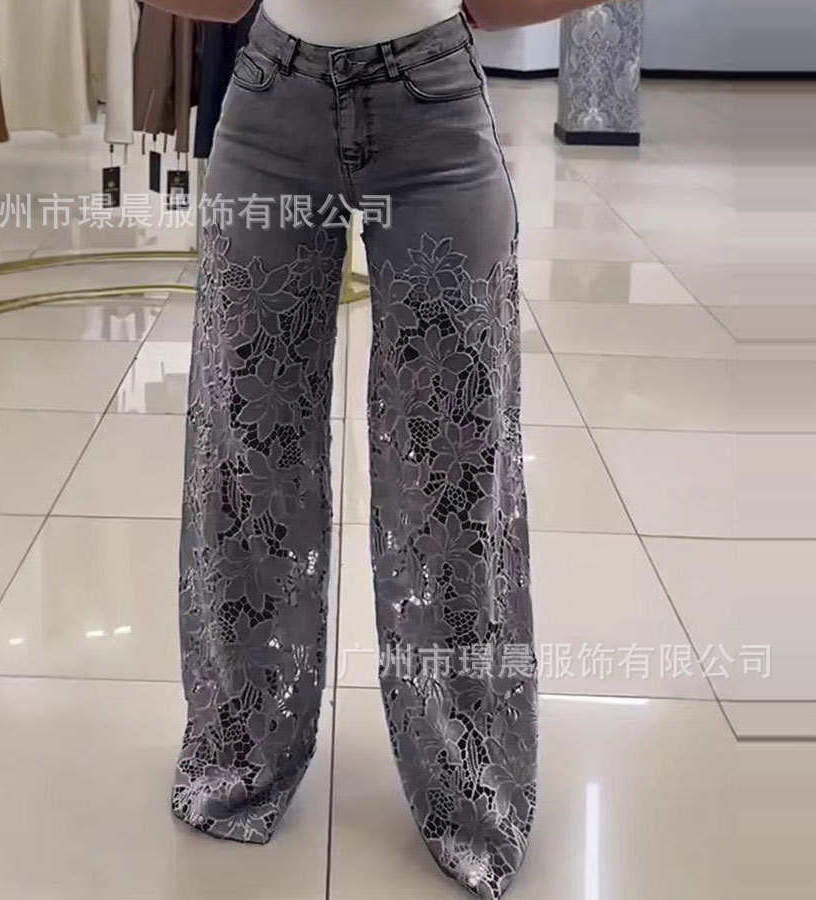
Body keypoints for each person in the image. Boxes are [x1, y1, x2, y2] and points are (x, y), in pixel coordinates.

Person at [144, 1, 611, 897]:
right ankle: (240, 748)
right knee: (247, 458)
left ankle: (470, 778)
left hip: (435, 105)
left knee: (454, 474)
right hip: (272, 98)